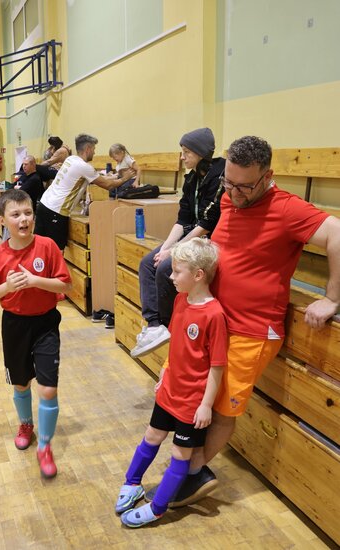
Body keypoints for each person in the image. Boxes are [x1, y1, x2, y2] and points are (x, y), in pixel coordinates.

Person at [144, 135, 340, 508]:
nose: (233, 193)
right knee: (194, 399)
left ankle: (190, 475)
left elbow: (337, 233)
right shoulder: (229, 196)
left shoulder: (287, 209)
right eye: (228, 182)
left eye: (244, 186)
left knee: (220, 409)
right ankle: (188, 471)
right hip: (213, 321)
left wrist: (331, 298)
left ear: (267, 176)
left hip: (252, 330)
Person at [116, 238, 227, 527]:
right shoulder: (180, 300)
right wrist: (165, 372)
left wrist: (205, 405)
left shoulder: (214, 315)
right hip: (169, 391)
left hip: (191, 402)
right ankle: (132, 482)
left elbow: (217, 366)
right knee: (151, 437)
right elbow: (177, 345)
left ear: (198, 275)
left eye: (177, 271)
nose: (171, 276)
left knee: (180, 454)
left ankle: (158, 507)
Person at [0, 189, 72, 479]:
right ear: (2, 219)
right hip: (14, 326)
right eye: (16, 214)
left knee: (48, 389)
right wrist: (7, 287)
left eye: (28, 213)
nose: (24, 219)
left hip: (46, 324)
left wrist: (35, 280)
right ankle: (26, 424)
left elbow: (65, 285)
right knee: (20, 384)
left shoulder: (47, 246)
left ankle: (45, 446)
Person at [131, 128, 225, 358]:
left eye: (186, 152)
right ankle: (154, 325)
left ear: (200, 153)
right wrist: (165, 248)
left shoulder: (219, 174)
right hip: (192, 236)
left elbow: (208, 222)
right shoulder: (191, 179)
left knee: (166, 268)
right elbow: (183, 219)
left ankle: (168, 323)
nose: (182, 157)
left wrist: (175, 250)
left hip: (208, 239)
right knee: (148, 263)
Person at [35, 133, 135, 250]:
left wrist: (115, 176)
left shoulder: (71, 159)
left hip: (43, 205)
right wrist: (125, 178)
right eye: (94, 149)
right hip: (55, 211)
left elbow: (98, 178)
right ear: (88, 149)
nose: (94, 152)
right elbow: (108, 185)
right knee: (56, 253)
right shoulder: (84, 167)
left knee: (39, 249)